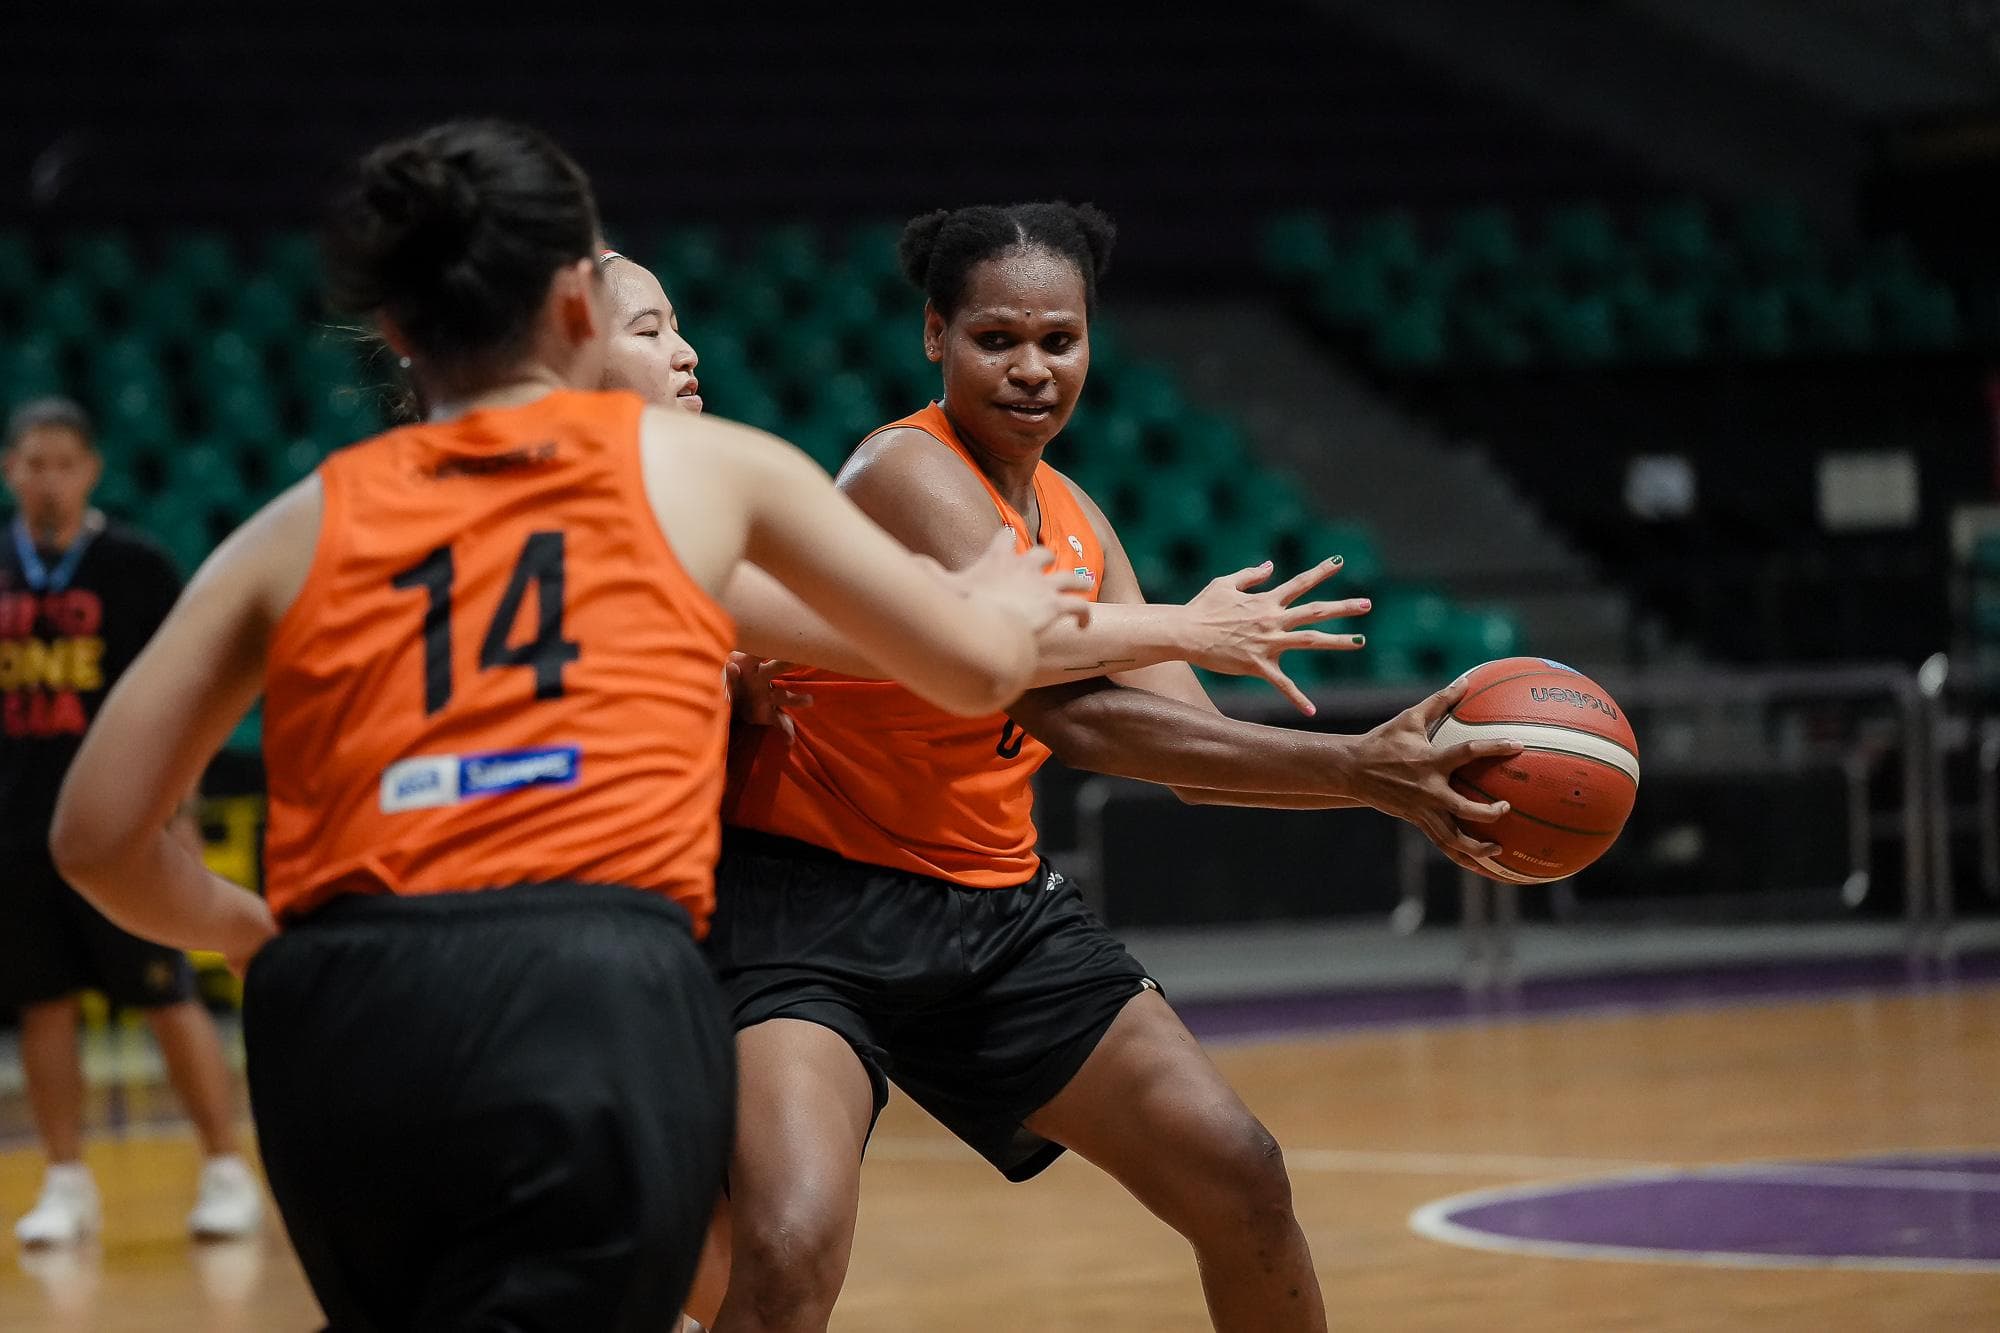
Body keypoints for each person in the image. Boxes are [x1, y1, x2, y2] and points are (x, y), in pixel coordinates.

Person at [47, 121, 1088, 1331]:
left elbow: (96, 837)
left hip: (342, 999)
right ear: (578, 307)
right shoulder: (698, 473)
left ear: (394, 329)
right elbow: (971, 674)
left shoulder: (293, 526)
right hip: (588, 975)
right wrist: (1004, 605)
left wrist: (250, 933)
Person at [705, 203, 1522, 1333]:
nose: (1032, 368)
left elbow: (1176, 748)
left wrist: (1368, 771)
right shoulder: (901, 468)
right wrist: (1189, 630)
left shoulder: (1077, 517)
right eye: (996, 339)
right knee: (788, 1248)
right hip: (809, 910)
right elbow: (1047, 692)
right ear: (932, 337)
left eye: (1059, 339)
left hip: (997, 920)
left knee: (1239, 1173)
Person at [0, 397, 261, 1246]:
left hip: (122, 829)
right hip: (18, 830)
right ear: (11, 470)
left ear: (92, 471)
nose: (47, 479)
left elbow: (181, 704)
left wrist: (175, 811)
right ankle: (67, 1178)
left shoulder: (135, 567)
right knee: (44, 1005)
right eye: (32, 462)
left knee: (165, 994)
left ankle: (225, 1165)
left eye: (62, 462)